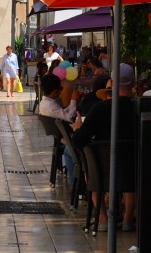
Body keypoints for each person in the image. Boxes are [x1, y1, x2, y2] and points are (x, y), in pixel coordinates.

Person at [71, 63, 139, 232]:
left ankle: (102, 218)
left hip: (102, 174)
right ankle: (128, 218)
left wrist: (78, 128)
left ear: (111, 82)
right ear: (133, 84)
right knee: (133, 168)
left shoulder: (99, 109)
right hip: (133, 174)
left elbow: (78, 141)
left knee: (92, 168)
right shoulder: (140, 110)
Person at [39, 73, 82, 186]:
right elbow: (69, 117)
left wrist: (71, 105)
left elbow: (61, 113)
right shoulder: (51, 105)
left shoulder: (45, 103)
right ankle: (76, 183)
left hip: (60, 134)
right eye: (60, 89)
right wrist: (73, 101)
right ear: (54, 91)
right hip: (64, 135)